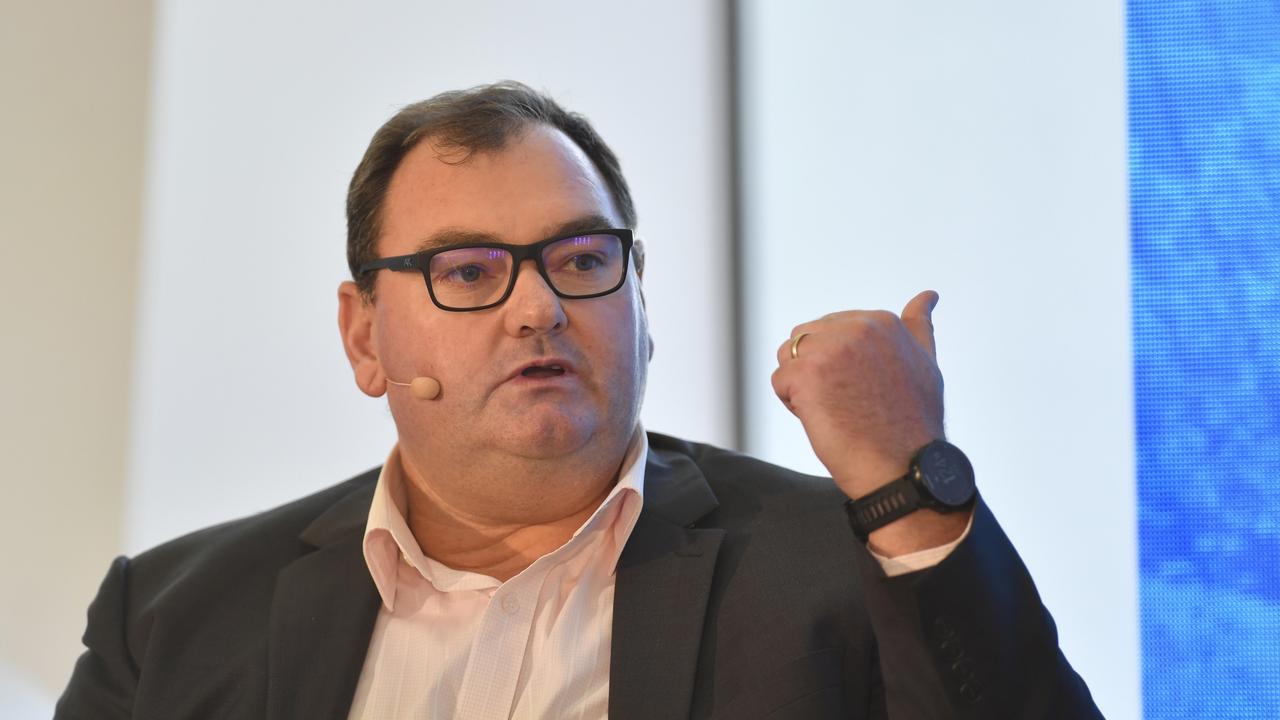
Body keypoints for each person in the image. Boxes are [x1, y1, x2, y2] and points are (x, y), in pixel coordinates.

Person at [56, 81, 1102, 719]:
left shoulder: (836, 564)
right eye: (468, 270)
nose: (538, 310)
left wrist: (905, 477)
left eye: (580, 257)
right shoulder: (174, 616)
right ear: (363, 335)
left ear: (641, 309)